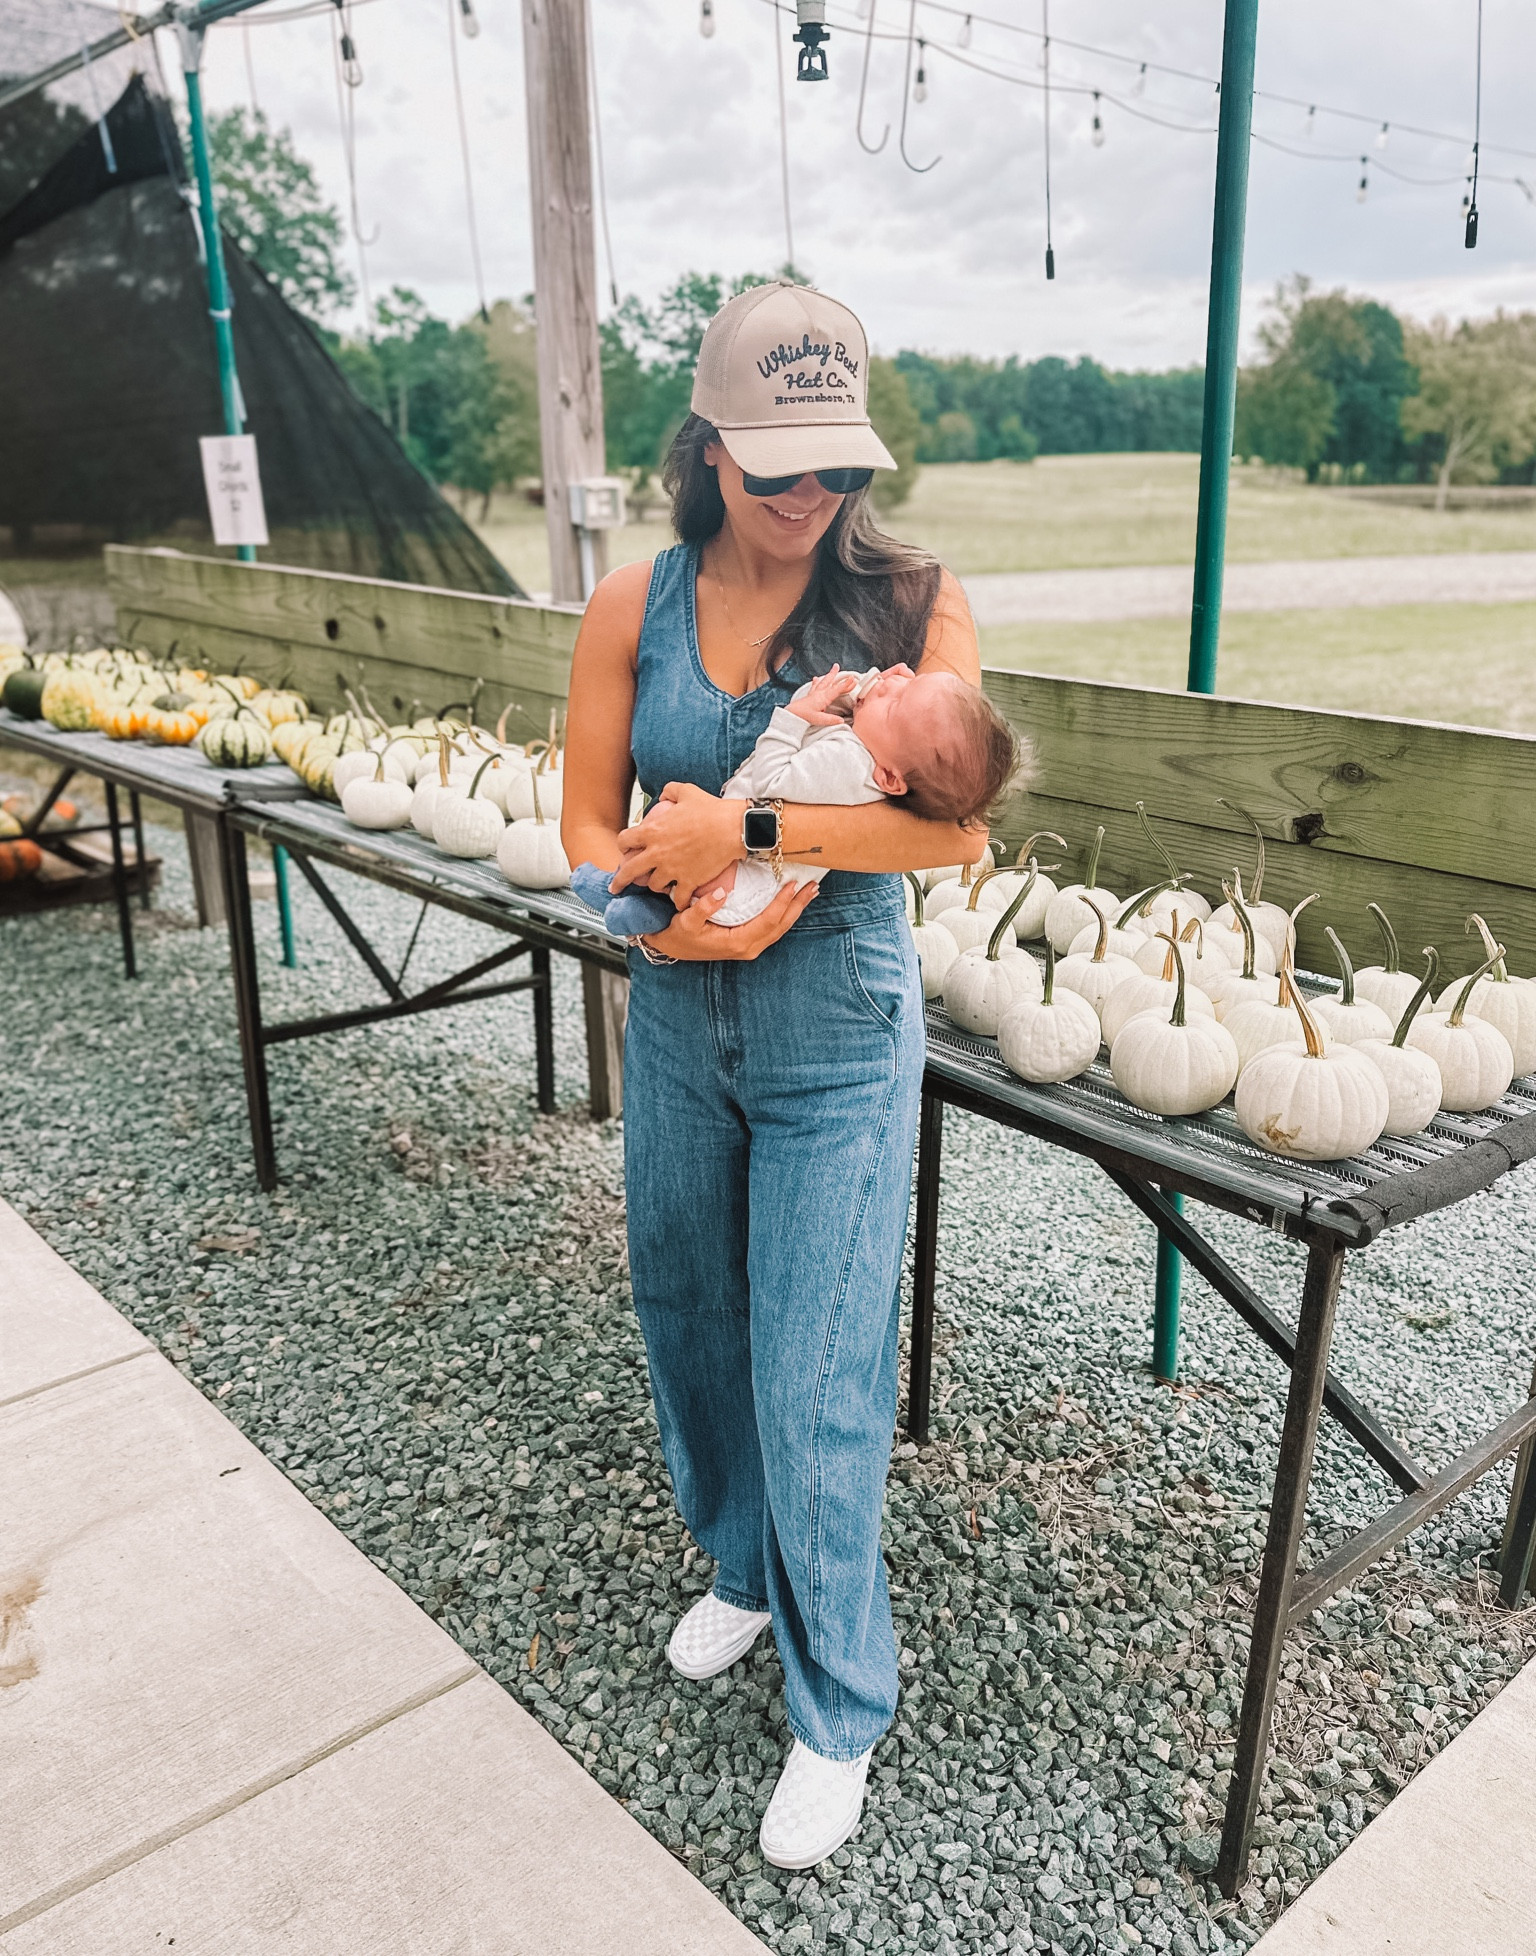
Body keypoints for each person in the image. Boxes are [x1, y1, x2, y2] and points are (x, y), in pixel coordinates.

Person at [561, 280, 1007, 1870]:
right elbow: (581, 820)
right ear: (710, 447)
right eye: (779, 471)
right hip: (677, 1015)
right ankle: (744, 1571)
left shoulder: (914, 599)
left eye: (839, 470)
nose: (814, 500)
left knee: (817, 1363)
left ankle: (841, 1710)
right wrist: (642, 891)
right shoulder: (632, 603)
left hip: (837, 1034)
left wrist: (741, 832)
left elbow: (951, 824)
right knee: (687, 1308)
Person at [569, 660, 1019, 935]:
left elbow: (770, 782)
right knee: (669, 823)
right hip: (739, 872)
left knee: (669, 819)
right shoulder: (869, 750)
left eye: (896, 702)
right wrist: (848, 695)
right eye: (905, 680)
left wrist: (789, 721)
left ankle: (633, 900)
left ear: (889, 778)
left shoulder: (847, 766)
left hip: (740, 886)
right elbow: (822, 706)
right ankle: (636, 898)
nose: (887, 683)